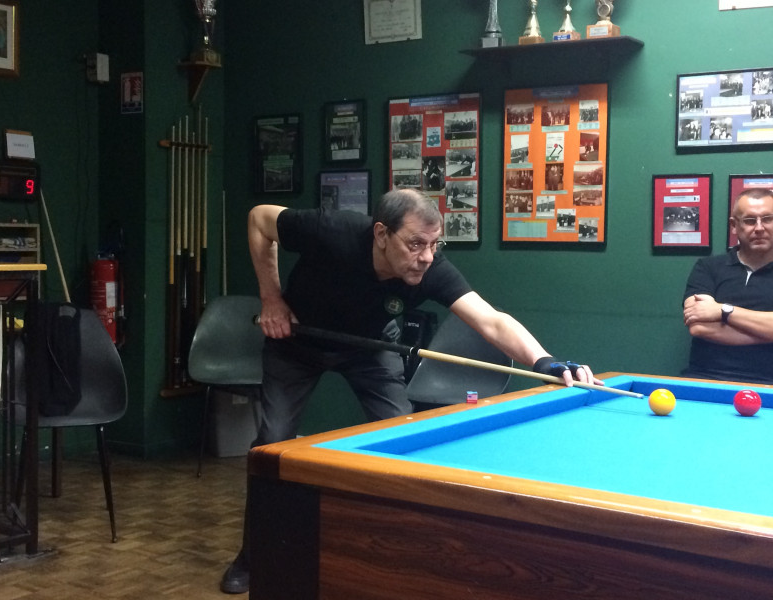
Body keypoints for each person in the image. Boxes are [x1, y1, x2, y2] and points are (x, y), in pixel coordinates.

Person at [220, 187, 600, 594]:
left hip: (369, 348)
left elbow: (491, 321)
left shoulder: (430, 268)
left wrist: (545, 362)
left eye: (435, 244)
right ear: (381, 234)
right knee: (272, 442)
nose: (427, 257)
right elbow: (259, 218)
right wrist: (271, 298)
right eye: (416, 244)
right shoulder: (333, 230)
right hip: (297, 343)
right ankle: (252, 555)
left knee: (403, 437)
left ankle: (404, 553)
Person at [682, 187, 773, 383]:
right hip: (705, 379)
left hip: (768, 384)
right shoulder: (707, 267)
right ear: (734, 226)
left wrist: (723, 310)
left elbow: (711, 316)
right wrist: (767, 331)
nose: (759, 228)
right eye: (750, 220)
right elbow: (698, 326)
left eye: (768, 219)